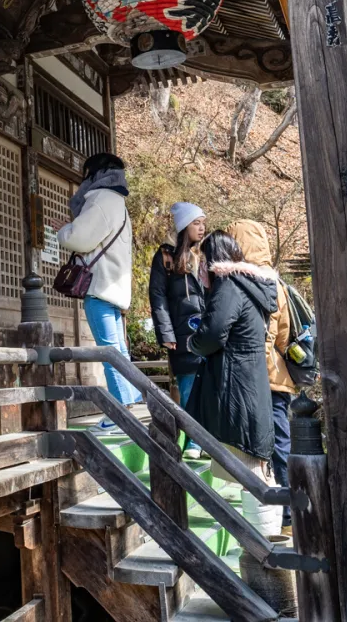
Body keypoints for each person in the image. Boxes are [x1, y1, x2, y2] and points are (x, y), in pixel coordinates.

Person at [187, 230, 281, 535]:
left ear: (213, 262)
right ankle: (265, 546)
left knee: (251, 474)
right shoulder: (250, 286)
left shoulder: (228, 286)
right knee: (254, 469)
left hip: (236, 391)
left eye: (202, 262)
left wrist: (192, 342)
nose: (199, 269)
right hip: (250, 387)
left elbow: (212, 335)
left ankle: (264, 550)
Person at [56, 152, 142, 433]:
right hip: (114, 287)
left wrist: (63, 232)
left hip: (100, 286)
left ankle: (119, 415)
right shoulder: (119, 202)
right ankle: (129, 406)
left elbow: (80, 237)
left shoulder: (101, 198)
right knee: (119, 353)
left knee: (109, 353)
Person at [224, 219, 296, 535]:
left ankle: (265, 511)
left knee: (255, 445)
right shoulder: (277, 286)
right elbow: (285, 336)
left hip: (248, 378)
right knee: (281, 442)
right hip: (276, 378)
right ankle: (290, 513)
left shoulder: (233, 283)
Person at [148, 202, 208, 456]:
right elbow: (158, 296)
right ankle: (193, 441)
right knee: (187, 387)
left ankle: (207, 440)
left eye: (203, 222)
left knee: (208, 385)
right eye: (196, 223)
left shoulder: (205, 254)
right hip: (181, 334)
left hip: (206, 331)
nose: (202, 227)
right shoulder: (166, 257)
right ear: (184, 226)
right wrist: (166, 334)